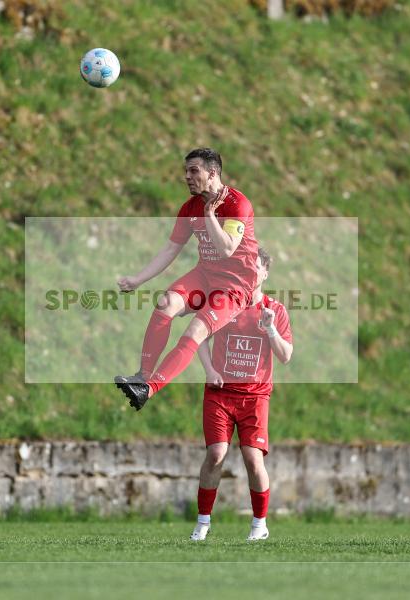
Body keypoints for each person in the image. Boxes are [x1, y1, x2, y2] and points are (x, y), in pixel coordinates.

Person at [115, 148, 259, 409]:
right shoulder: (189, 207)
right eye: (186, 171)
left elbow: (226, 248)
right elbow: (171, 249)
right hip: (205, 275)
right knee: (166, 303)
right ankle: (142, 376)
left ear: (212, 173)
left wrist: (210, 216)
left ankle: (149, 389)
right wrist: (138, 280)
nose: (187, 177)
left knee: (195, 330)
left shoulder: (238, 204)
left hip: (234, 286)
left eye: (194, 171)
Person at [189, 248, 292, 542]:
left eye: (256, 267)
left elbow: (285, 356)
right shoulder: (223, 304)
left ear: (265, 273)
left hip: (255, 396)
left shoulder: (275, 311)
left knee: (252, 458)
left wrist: (271, 329)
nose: (250, 272)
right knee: (216, 454)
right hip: (220, 393)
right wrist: (209, 370)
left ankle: (259, 525)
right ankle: (202, 523)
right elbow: (199, 338)